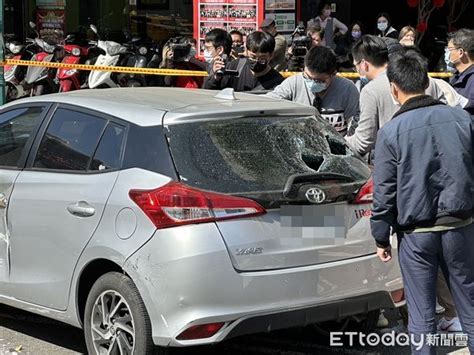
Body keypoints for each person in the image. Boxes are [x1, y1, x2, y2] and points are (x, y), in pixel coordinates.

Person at [371, 50, 474, 354]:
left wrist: (380, 236)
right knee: (469, 304)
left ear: (394, 88)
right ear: (428, 82)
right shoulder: (462, 119)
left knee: (422, 315)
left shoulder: (391, 132)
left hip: (417, 235)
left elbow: (384, 192)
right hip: (462, 226)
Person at [266, 46, 359, 136]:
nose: (312, 83)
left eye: (319, 81)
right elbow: (267, 103)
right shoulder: (293, 84)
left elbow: (354, 129)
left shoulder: (347, 89)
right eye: (307, 77)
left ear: (333, 74)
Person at [203, 31, 284, 92]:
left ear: (271, 55)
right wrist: (215, 78)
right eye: (253, 57)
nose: (256, 61)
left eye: (262, 58)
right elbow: (209, 93)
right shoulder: (234, 67)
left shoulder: (277, 82)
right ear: (246, 50)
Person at [446, 28, 474, 114]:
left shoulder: (472, 80)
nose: (447, 53)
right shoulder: (457, 76)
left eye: (450, 49)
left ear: (461, 52)